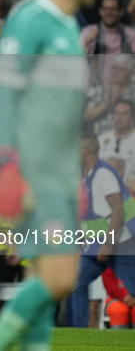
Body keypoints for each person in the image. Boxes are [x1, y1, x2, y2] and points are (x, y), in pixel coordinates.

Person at [0, 0, 110, 350]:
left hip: (61, 171)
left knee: (43, 281)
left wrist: (74, 174)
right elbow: (3, 93)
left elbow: (65, 115)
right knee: (59, 279)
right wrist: (8, 164)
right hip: (32, 170)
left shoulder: (70, 26)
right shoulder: (31, 17)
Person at [71, 135, 135, 328]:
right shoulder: (88, 175)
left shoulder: (103, 174)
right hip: (97, 243)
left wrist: (108, 243)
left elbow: (117, 209)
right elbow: (93, 212)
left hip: (119, 244)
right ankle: (78, 338)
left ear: (86, 151)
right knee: (77, 284)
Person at [98, 99, 135, 193]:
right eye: (116, 113)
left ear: (132, 117)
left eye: (124, 113)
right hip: (102, 192)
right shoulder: (101, 139)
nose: (119, 117)